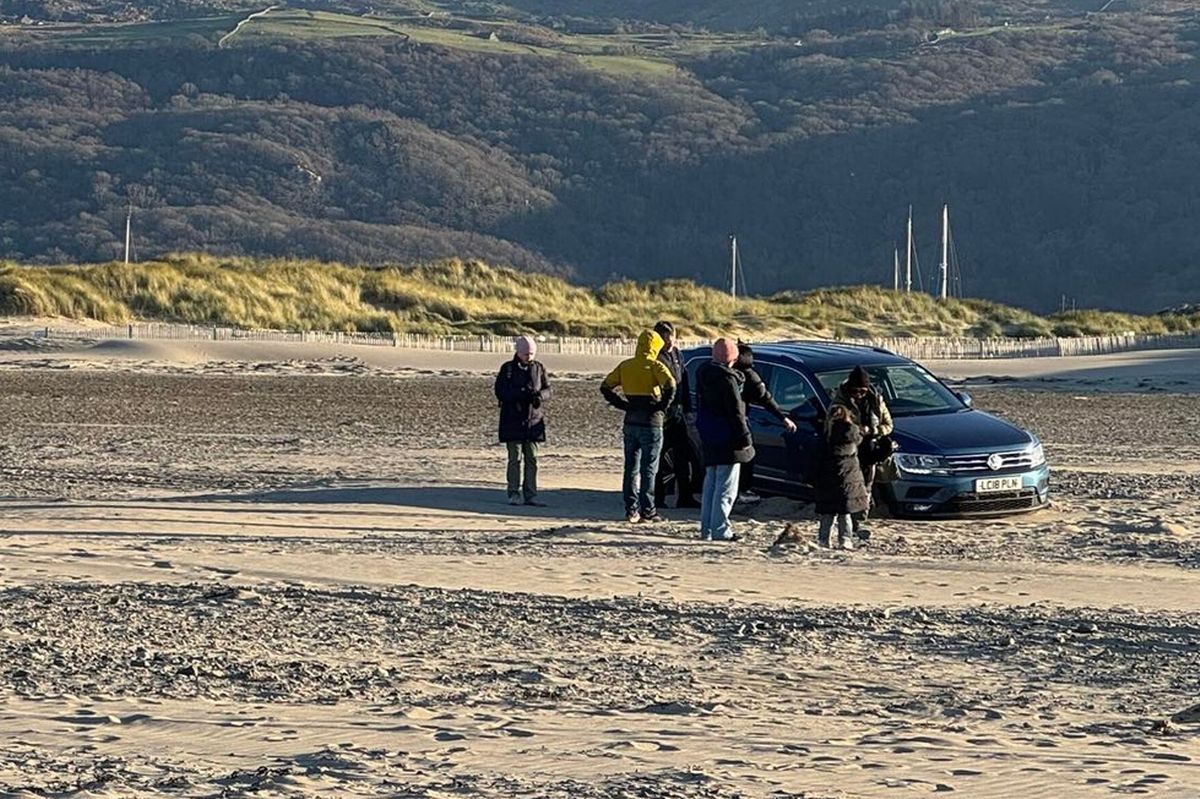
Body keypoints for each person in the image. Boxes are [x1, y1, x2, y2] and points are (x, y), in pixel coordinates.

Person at [601, 329, 677, 523]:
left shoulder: (626, 366)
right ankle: (648, 511)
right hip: (652, 422)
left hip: (631, 420)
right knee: (649, 469)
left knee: (630, 468)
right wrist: (662, 406)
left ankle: (630, 509)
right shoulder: (655, 366)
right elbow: (671, 385)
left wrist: (622, 405)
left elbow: (605, 386)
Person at [694, 338, 755, 542]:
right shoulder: (728, 380)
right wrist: (745, 437)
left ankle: (707, 528)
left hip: (710, 435)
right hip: (728, 438)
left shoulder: (703, 373)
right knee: (726, 486)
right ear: (732, 359)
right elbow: (736, 412)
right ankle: (720, 529)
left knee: (711, 483)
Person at [830, 365, 894, 537]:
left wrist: (873, 431)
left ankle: (861, 520)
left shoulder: (876, 400)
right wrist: (854, 431)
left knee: (866, 485)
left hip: (870, 450)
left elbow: (888, 425)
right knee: (850, 488)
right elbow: (831, 426)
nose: (858, 395)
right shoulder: (840, 401)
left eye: (862, 391)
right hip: (848, 451)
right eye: (855, 391)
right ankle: (853, 523)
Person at [732, 341, 796, 502]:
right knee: (745, 455)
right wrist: (783, 418)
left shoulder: (727, 373)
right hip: (740, 421)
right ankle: (742, 490)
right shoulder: (748, 376)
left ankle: (736, 490)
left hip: (726, 421)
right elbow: (765, 398)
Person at [494, 335, 551, 506]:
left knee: (532, 459)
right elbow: (500, 391)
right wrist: (520, 394)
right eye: (526, 354)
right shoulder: (508, 369)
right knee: (515, 459)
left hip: (533, 421)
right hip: (513, 420)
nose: (529, 357)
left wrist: (539, 396)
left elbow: (549, 389)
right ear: (518, 352)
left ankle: (531, 494)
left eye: (531, 354)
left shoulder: (539, 368)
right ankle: (513, 492)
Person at [653, 320, 700, 509]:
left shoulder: (678, 355)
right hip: (663, 415)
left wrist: (688, 410)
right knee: (660, 457)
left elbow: (685, 382)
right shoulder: (655, 357)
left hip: (679, 414)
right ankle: (658, 498)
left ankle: (685, 496)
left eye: (671, 338)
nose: (669, 342)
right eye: (665, 339)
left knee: (683, 456)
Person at [814, 405, 870, 550]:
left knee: (828, 514)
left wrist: (811, 477)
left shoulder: (826, 435)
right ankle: (845, 540)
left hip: (827, 481)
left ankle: (823, 540)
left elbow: (816, 459)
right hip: (848, 480)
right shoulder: (853, 434)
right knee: (845, 513)